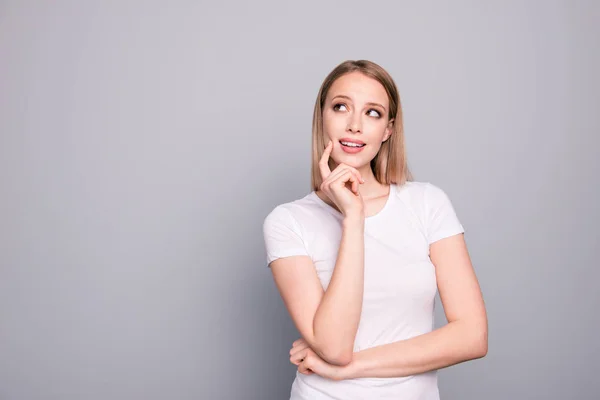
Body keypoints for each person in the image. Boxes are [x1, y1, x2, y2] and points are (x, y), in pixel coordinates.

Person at [262, 59, 487, 400]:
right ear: (322, 117)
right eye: (341, 107)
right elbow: (335, 347)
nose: (354, 125)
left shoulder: (427, 203)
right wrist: (353, 218)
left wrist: (350, 368)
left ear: (388, 130)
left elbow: (472, 336)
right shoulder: (288, 222)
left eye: (372, 113)